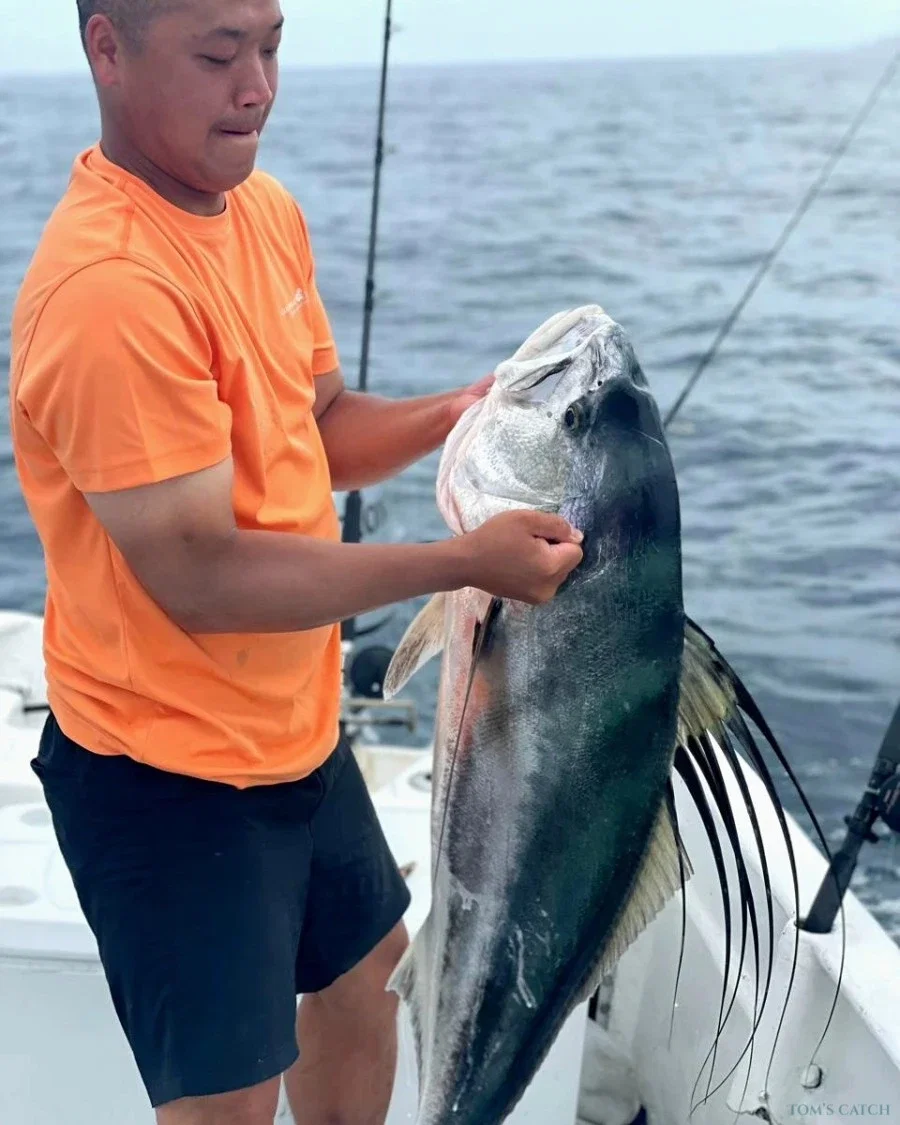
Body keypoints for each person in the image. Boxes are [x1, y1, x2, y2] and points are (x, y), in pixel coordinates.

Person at [8, 2, 584, 1123]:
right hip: (164, 771)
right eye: (219, 54)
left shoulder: (263, 212)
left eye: (271, 45)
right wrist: (461, 561)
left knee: (367, 983)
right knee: (233, 1102)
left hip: (294, 731)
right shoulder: (109, 291)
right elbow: (203, 581)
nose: (258, 86)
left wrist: (459, 414)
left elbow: (316, 426)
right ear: (107, 49)